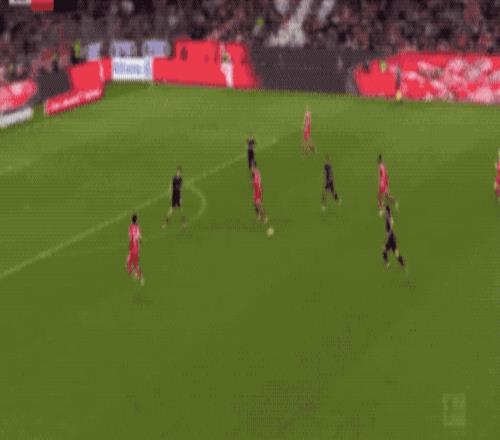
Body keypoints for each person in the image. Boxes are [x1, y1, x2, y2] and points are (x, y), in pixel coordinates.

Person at [127, 214, 144, 285]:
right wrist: (140, 241)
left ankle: (139, 276)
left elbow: (130, 237)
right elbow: (140, 237)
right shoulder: (137, 227)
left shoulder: (130, 227)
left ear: (131, 220)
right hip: (136, 248)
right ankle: (139, 277)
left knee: (130, 265)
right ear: (136, 220)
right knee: (135, 265)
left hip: (132, 249)